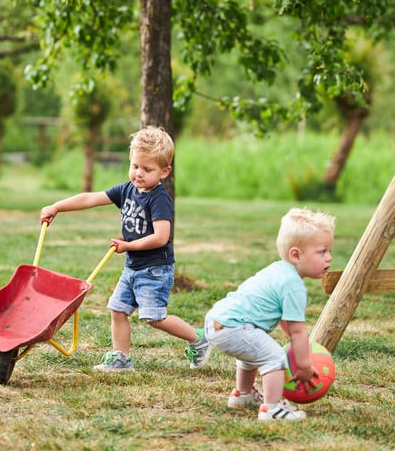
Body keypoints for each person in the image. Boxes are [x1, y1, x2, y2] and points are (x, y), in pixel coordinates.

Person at [40, 126, 210, 371]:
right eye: (135, 166)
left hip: (154, 269)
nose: (139, 174)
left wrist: (128, 245)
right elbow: (91, 198)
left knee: (154, 318)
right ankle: (121, 358)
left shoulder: (158, 198)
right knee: (117, 309)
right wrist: (57, 206)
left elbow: (161, 237)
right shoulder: (127, 190)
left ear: (165, 171)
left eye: (147, 169)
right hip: (133, 266)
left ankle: (199, 339)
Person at [203, 207, 335, 420]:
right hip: (234, 327)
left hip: (217, 322)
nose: (328, 258)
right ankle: (271, 409)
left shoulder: (278, 269)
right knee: (274, 356)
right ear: (296, 254)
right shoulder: (293, 285)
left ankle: (243, 394)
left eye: (329, 251)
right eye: (321, 252)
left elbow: (285, 319)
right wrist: (303, 366)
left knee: (254, 349)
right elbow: (297, 332)